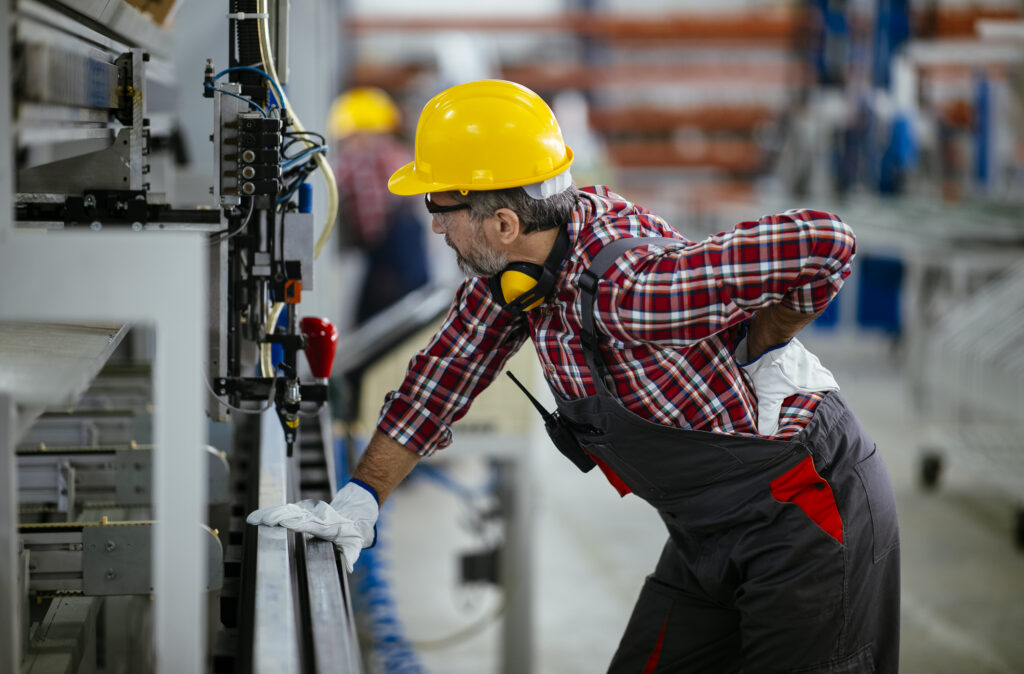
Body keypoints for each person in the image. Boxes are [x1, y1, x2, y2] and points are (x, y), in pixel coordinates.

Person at [250, 80, 900, 672]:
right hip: (710, 531)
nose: (435, 226)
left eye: (441, 207)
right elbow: (440, 379)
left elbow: (825, 242)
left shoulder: (631, 285)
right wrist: (360, 502)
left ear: (503, 223)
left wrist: (768, 336)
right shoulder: (516, 277)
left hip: (808, 512)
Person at [328, 86, 430, 324]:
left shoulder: (360, 163)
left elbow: (370, 226)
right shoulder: (401, 156)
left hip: (389, 264)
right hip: (407, 261)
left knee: (374, 324)